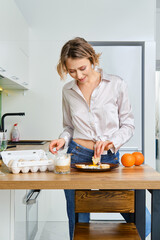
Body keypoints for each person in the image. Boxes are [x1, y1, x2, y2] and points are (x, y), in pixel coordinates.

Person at [49, 37, 150, 240]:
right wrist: (62, 139)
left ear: (92, 58)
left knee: (137, 214)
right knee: (78, 220)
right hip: (76, 156)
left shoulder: (116, 84)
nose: (78, 75)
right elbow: (69, 126)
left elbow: (128, 124)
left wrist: (112, 142)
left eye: (82, 68)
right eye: (71, 71)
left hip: (108, 158)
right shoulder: (67, 91)